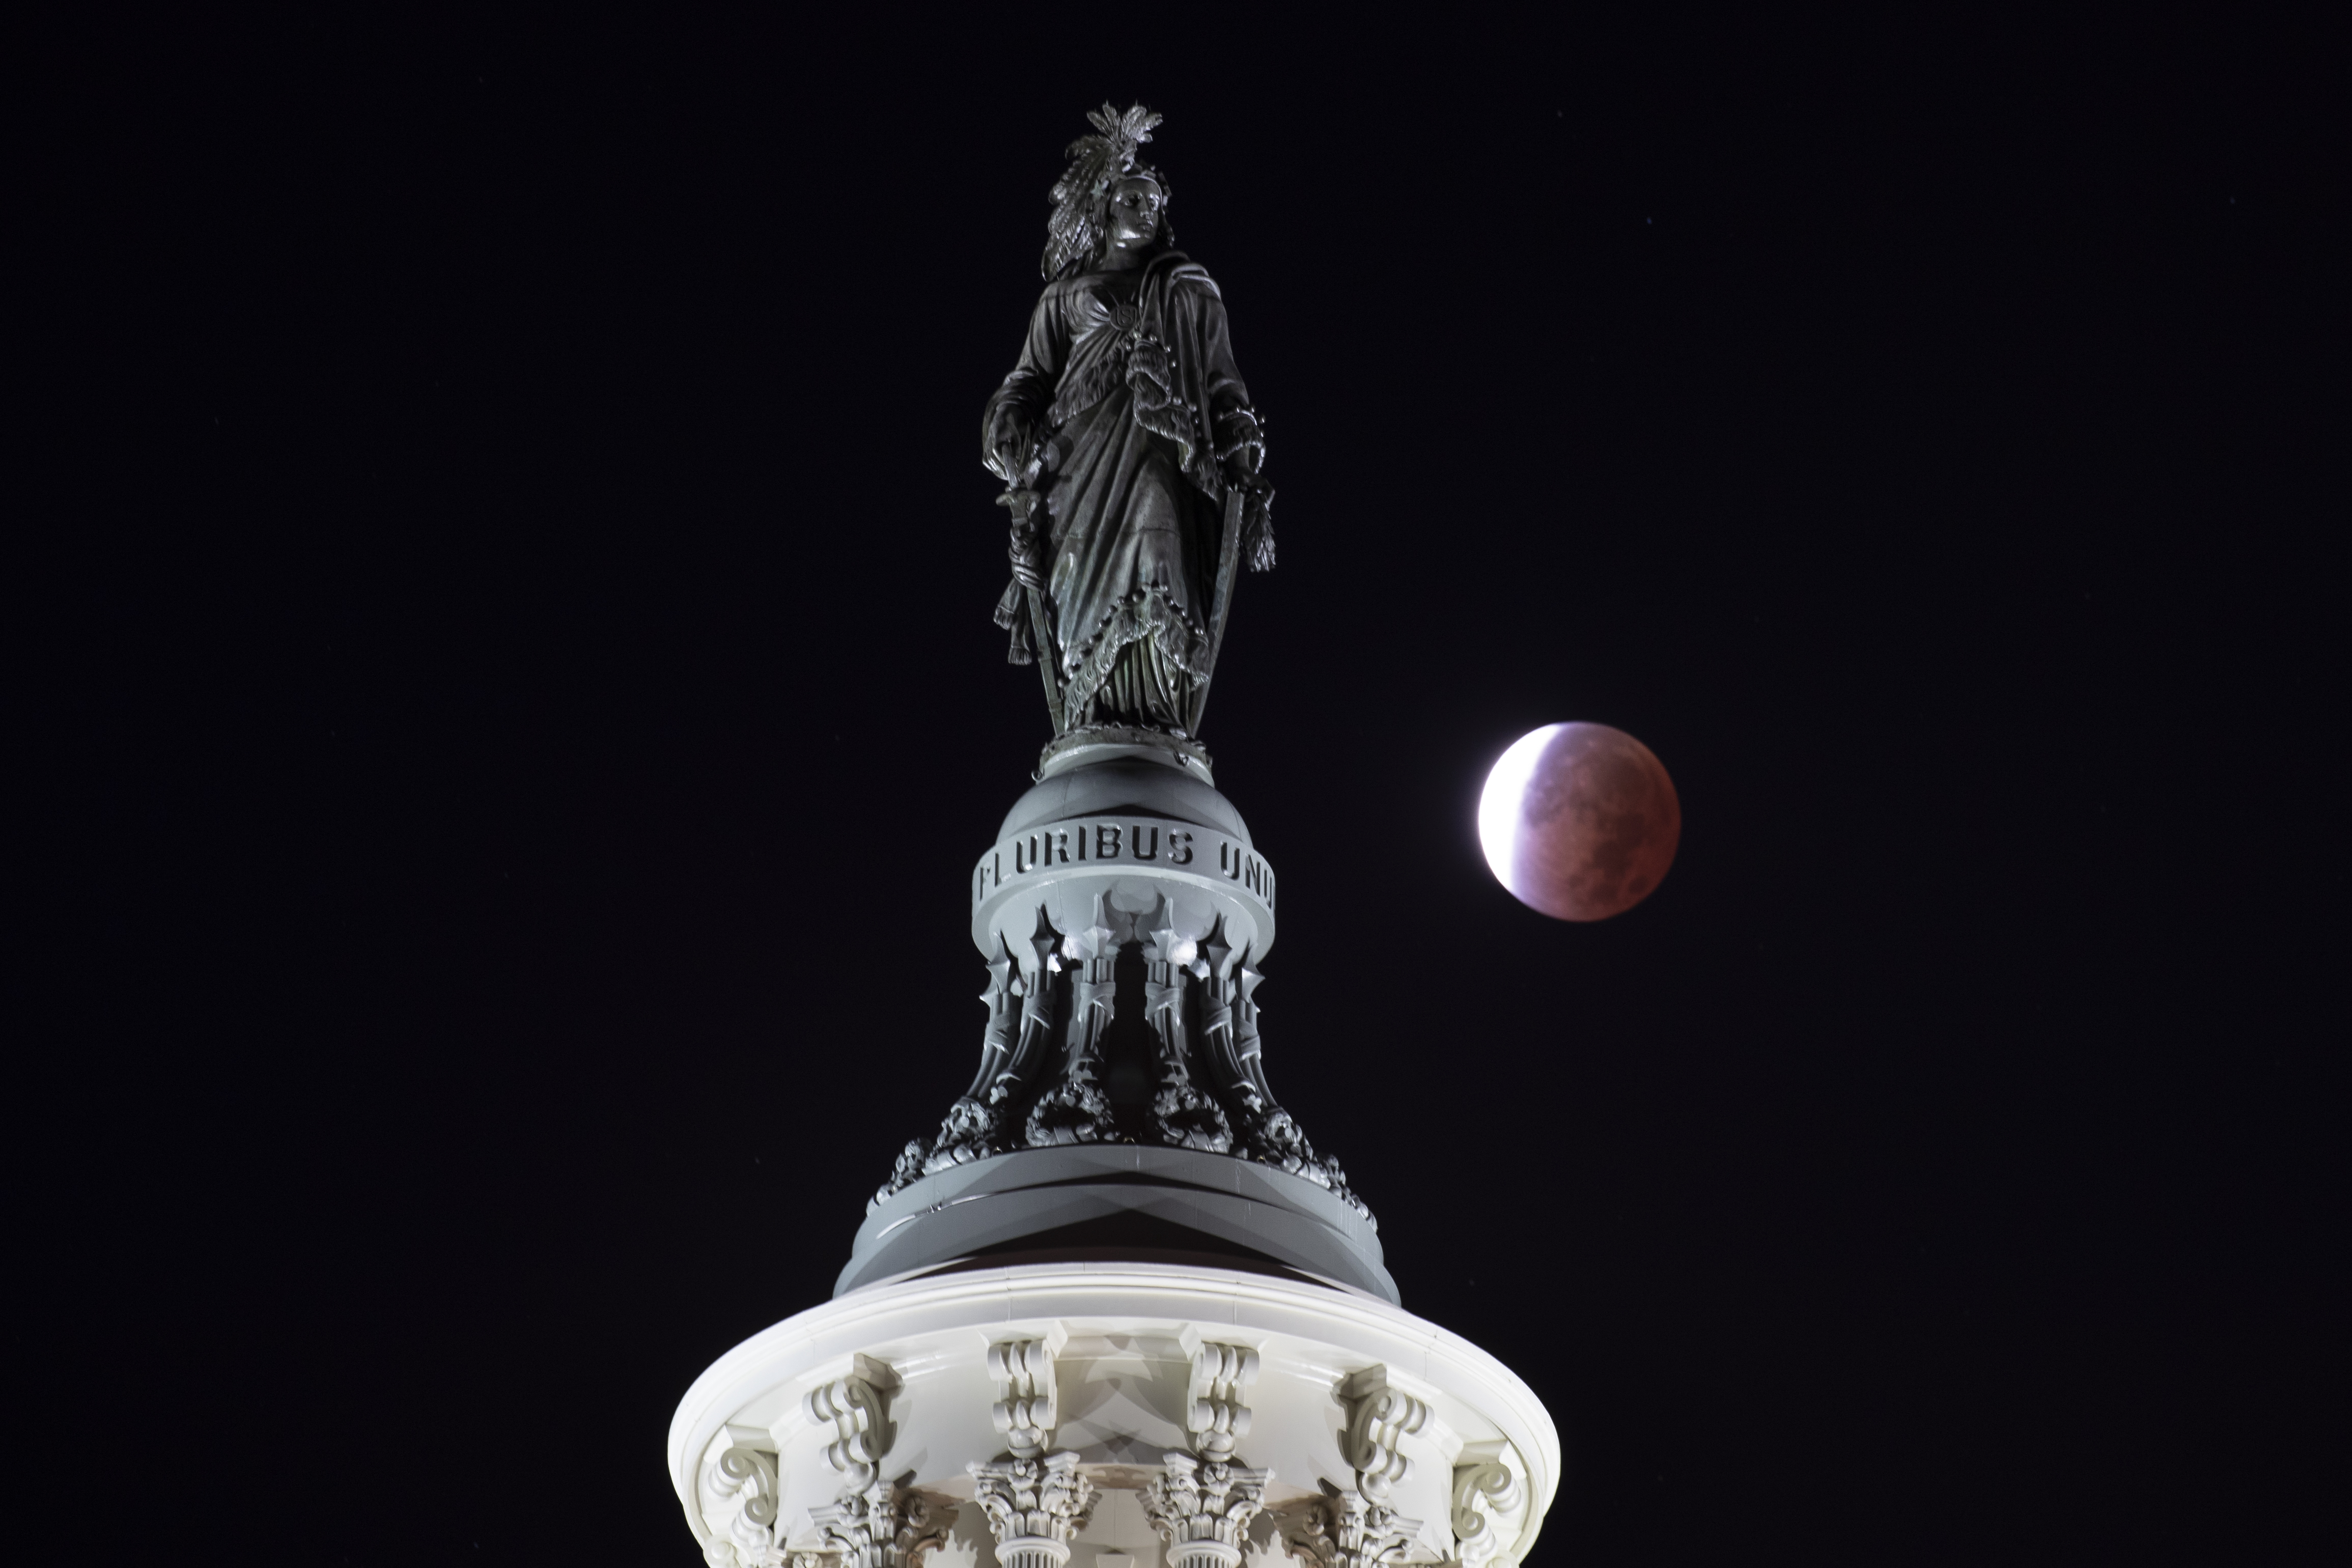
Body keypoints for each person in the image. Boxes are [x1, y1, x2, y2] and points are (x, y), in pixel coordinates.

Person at [982, 104, 1272, 737]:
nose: (1143, 211)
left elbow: (1224, 381)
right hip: (1074, 460)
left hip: (1163, 448)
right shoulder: (1063, 295)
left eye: (1152, 202)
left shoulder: (1190, 289)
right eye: (1130, 200)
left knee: (1157, 525)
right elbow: (1029, 378)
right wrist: (1007, 426)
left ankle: (1159, 713)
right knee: (1077, 582)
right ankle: (1088, 717)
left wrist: (1240, 437)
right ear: (1105, 210)